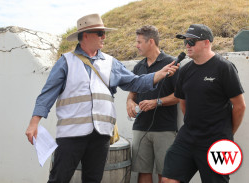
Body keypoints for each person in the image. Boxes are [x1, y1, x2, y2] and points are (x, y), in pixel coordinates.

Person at [25, 14, 178, 183]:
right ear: (85, 35)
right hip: (71, 135)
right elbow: (47, 94)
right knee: (59, 179)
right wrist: (34, 123)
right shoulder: (66, 62)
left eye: (104, 33)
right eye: (99, 33)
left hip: (101, 135)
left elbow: (135, 83)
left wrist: (158, 75)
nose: (104, 37)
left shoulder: (111, 62)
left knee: (93, 180)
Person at [161, 24, 246, 183]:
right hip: (187, 138)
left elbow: (240, 106)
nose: (187, 46)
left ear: (206, 43)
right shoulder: (185, 70)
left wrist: (227, 134)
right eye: (185, 42)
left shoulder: (224, 68)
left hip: (217, 141)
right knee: (168, 179)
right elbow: (183, 103)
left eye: (191, 42)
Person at [126, 25, 179, 183]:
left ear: (150, 42)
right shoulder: (138, 67)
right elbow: (131, 94)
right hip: (140, 128)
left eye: (139, 42)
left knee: (166, 175)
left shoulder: (171, 63)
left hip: (165, 129)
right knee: (143, 173)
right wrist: (129, 102)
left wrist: (157, 102)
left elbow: (180, 96)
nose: (136, 45)